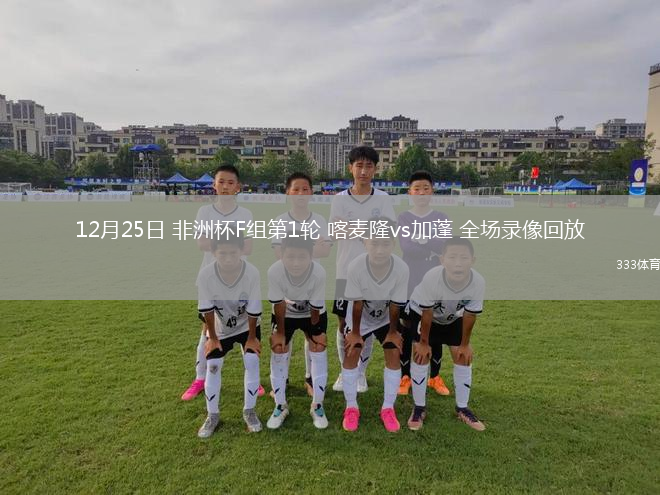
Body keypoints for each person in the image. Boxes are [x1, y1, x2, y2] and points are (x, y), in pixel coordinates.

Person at [181, 165, 264, 401]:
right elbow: (201, 243)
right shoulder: (204, 212)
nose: (225, 187)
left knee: (245, 327)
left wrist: (220, 242)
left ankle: (253, 379)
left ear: (238, 187)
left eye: (230, 182)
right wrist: (232, 242)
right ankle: (200, 378)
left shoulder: (245, 214)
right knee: (208, 330)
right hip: (211, 279)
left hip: (241, 279)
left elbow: (249, 247)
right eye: (221, 182)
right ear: (214, 185)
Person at [330, 146, 396, 393]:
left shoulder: (383, 199)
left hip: (375, 273)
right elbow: (336, 231)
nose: (364, 171)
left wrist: (354, 227)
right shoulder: (339, 199)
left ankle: (360, 373)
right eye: (359, 165)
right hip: (345, 272)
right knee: (343, 324)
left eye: (369, 166)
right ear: (351, 168)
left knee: (366, 325)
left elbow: (388, 231)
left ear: (375, 169)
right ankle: (345, 369)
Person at [406, 237, 486, 431]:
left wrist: (465, 345)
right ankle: (419, 407)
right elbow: (427, 312)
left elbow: (470, 315)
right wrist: (424, 343)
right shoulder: (432, 278)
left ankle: (462, 408)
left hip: (451, 317)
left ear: (473, 260)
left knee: (463, 356)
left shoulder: (478, 282)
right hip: (423, 314)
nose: (458, 263)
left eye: (463, 258)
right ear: (442, 259)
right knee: (420, 355)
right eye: (452, 257)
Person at [341, 218, 409, 432]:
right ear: (365, 242)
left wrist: (393, 332)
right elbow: (357, 303)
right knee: (352, 351)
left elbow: (396, 304)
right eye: (374, 243)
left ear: (393, 243)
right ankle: (351, 407)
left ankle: (388, 408)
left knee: (393, 351)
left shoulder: (401, 268)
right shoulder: (356, 266)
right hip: (359, 316)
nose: (380, 249)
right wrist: (356, 333)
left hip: (386, 317)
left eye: (385, 244)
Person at [271, 172, 332, 396]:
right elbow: (279, 254)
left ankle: (310, 378)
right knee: (283, 339)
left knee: (312, 336)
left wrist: (296, 250)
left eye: (305, 189)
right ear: (288, 192)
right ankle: (282, 379)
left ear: (311, 192)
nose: (300, 193)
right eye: (295, 189)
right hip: (286, 287)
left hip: (312, 285)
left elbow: (325, 251)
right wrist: (308, 248)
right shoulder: (280, 221)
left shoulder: (319, 220)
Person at [196, 234, 263, 438]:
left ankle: (249, 411)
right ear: (213, 252)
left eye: (233, 253)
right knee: (213, 365)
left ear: (241, 251)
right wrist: (213, 337)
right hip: (220, 328)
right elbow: (206, 309)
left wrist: (252, 338)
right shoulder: (206, 275)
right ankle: (212, 415)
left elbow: (254, 308)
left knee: (252, 360)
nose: (228, 258)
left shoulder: (252, 273)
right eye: (222, 253)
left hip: (247, 326)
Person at [267, 235, 329, 429]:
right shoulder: (274, 271)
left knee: (318, 347)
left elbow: (316, 308)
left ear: (311, 256)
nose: (296, 262)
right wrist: (280, 333)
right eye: (290, 256)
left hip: (312, 313)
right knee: (279, 348)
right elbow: (278, 304)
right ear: (282, 255)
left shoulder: (319, 272)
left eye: (302, 257)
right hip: (285, 314)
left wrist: (315, 333)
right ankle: (280, 405)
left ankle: (317, 405)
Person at [397, 170, 451, 397]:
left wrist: (421, 239)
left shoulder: (441, 217)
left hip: (435, 278)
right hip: (410, 279)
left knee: (435, 327)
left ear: (432, 191)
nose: (421, 192)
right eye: (416, 189)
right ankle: (405, 376)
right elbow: (407, 248)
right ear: (409, 192)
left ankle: (434, 377)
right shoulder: (404, 218)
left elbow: (443, 245)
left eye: (425, 188)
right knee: (408, 328)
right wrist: (431, 243)